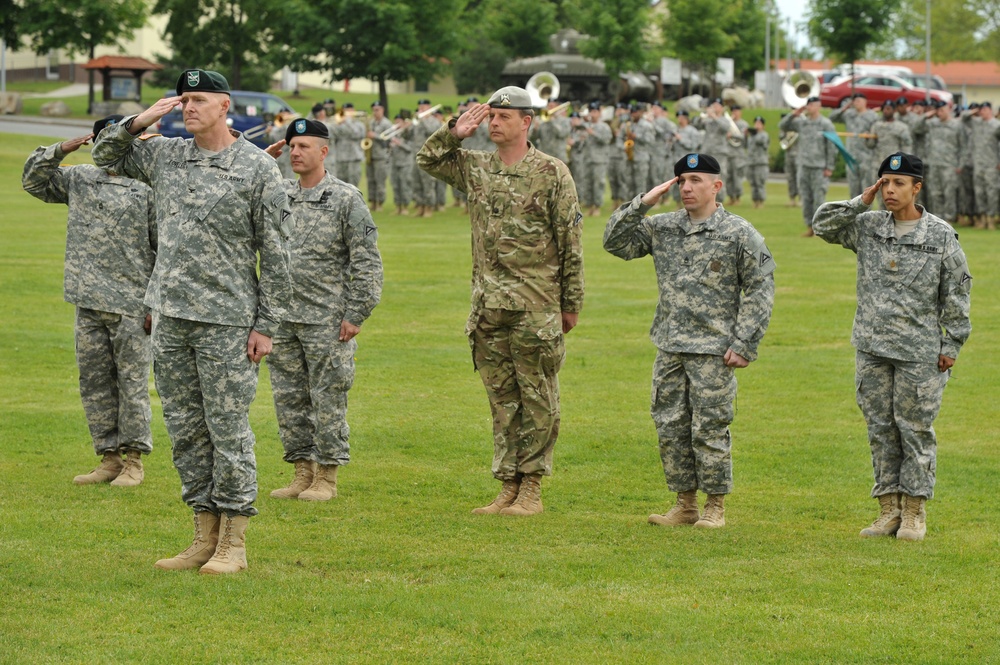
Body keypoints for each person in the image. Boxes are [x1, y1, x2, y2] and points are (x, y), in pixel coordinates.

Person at [92, 69, 292, 574]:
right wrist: (139, 120)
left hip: (228, 320)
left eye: (198, 99)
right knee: (185, 430)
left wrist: (266, 325)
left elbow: (277, 253)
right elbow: (103, 154)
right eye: (183, 100)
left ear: (225, 106)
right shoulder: (167, 155)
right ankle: (202, 535)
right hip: (170, 317)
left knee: (228, 429)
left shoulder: (255, 168)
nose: (188, 107)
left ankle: (234, 542)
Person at [416, 86, 585, 516]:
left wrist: (571, 303)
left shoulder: (551, 172)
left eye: (503, 117)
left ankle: (532, 487)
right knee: (502, 399)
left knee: (538, 396)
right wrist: (455, 131)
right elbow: (427, 160)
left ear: (526, 122)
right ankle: (507, 484)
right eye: (490, 116)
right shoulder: (476, 168)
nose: (493, 123)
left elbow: (571, 241)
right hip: (489, 307)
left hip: (535, 305)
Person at [604, 153, 775, 528]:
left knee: (710, 427)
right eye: (681, 180)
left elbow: (761, 289)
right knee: (670, 425)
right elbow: (615, 242)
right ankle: (685, 504)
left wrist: (745, 343)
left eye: (696, 180)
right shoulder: (663, 226)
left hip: (714, 350)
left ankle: (715, 506)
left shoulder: (739, 232)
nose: (686, 187)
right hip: (670, 345)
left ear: (717, 186)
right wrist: (642, 203)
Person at [813, 153, 972, 541]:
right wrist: (860, 200)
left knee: (915, 429)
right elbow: (821, 225)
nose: (889, 190)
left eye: (898, 183)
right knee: (880, 429)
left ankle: (915, 511)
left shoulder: (939, 235)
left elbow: (958, 293)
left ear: (917, 188)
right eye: (884, 182)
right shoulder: (867, 226)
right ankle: (888, 510)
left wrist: (951, 344)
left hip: (919, 351)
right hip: (872, 347)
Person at [22, 116, 157, 487]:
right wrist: (61, 149)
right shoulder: (80, 177)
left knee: (131, 384)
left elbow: (164, 248)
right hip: (87, 299)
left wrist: (154, 304)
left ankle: (133, 461)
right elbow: (33, 181)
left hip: (131, 303)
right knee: (95, 383)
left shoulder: (147, 184)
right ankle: (108, 457)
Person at [265, 119, 383, 502]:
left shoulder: (346, 198)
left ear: (323, 151)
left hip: (326, 318)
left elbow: (367, 261)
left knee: (328, 396)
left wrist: (356, 312)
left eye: (303, 146)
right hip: (282, 317)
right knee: (289, 398)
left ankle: (327, 476)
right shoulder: (279, 194)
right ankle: (302, 472)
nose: (295, 152)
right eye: (291, 146)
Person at [779, 96, 836, 236]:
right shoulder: (801, 123)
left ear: (818, 106)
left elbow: (831, 147)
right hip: (803, 165)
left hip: (819, 167)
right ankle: (809, 227)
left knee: (819, 198)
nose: (809, 107)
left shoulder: (826, 124)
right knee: (806, 198)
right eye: (808, 105)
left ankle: (820, 229)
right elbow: (782, 126)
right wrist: (793, 114)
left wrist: (830, 166)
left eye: (812, 105)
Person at [912, 101, 963, 224]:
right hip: (934, 164)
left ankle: (949, 218)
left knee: (949, 193)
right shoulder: (932, 124)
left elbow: (963, 146)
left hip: (950, 164)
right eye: (938, 111)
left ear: (948, 110)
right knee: (935, 193)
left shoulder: (956, 125)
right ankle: (938, 219)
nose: (940, 113)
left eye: (942, 110)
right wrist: (926, 115)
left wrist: (960, 164)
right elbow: (916, 128)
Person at [960, 101, 1000, 229]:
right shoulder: (976, 123)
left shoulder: (996, 125)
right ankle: (982, 218)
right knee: (979, 192)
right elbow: (963, 118)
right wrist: (974, 111)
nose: (982, 112)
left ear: (990, 110)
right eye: (981, 110)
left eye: (985, 110)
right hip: (978, 164)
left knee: (991, 192)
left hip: (991, 164)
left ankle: (991, 219)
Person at [829, 93, 877, 199]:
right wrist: (844, 107)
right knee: (853, 186)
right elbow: (831, 117)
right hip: (851, 155)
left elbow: (877, 133)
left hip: (866, 155)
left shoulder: (872, 115)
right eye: (855, 101)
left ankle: (867, 213)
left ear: (865, 102)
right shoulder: (849, 114)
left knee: (867, 187)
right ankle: (855, 212)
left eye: (859, 101)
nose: (857, 103)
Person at [328, 102, 365, 187]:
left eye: (349, 110)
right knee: (340, 184)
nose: (346, 113)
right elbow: (332, 134)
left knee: (353, 184)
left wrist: (347, 121)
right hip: (340, 158)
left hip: (354, 158)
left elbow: (356, 134)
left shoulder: (359, 124)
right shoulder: (338, 123)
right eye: (345, 111)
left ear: (353, 111)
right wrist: (338, 122)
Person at [366, 101, 393, 211]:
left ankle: (380, 203)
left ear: (382, 110)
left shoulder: (386, 123)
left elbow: (389, 138)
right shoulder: (371, 122)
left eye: (377, 110)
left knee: (380, 180)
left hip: (381, 155)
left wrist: (375, 136)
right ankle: (372, 202)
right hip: (371, 155)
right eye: (373, 110)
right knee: (370, 180)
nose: (375, 112)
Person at [388, 112, 414, 215]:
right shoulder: (394, 133)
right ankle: (398, 206)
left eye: (399, 122)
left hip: (405, 163)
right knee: (395, 185)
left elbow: (410, 148)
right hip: (394, 162)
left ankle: (405, 207)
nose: (397, 124)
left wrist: (399, 143)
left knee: (404, 185)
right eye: (396, 122)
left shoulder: (408, 133)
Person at [746, 116, 770, 208]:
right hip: (751, 162)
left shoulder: (764, 135)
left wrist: (753, 133)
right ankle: (755, 200)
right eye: (756, 123)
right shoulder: (751, 136)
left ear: (763, 126)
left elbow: (761, 141)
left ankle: (761, 201)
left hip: (761, 163)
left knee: (760, 183)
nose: (757, 125)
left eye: (759, 124)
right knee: (753, 183)